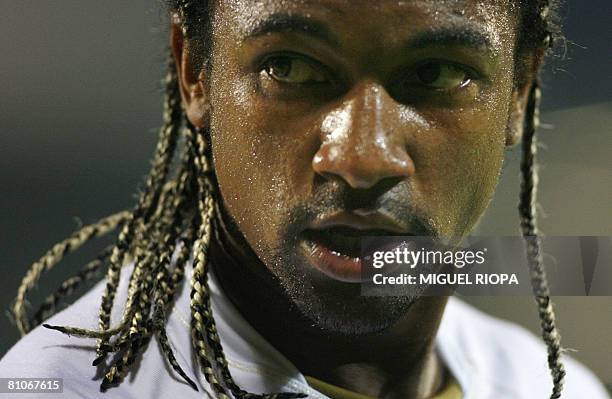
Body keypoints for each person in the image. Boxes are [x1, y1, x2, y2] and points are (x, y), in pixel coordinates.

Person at [0, 1, 609, 398]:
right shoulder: (64, 388)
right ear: (195, 73)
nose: (363, 158)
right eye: (289, 67)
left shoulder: (548, 386)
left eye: (437, 74)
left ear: (520, 92)